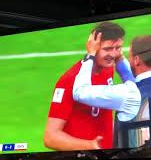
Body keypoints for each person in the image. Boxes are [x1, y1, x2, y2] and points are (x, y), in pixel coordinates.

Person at [73, 34, 151, 147]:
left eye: (131, 56)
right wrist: (120, 61)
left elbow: (80, 92)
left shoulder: (128, 94)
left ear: (137, 59)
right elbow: (139, 84)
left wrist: (90, 55)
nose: (129, 58)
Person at [44, 21, 125, 151]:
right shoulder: (69, 80)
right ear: (93, 47)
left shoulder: (107, 68)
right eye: (107, 49)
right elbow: (50, 137)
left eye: (118, 48)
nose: (114, 54)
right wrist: (90, 146)